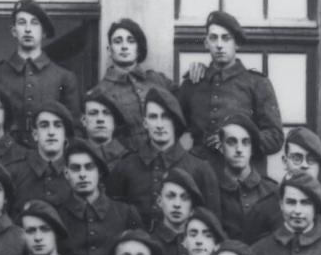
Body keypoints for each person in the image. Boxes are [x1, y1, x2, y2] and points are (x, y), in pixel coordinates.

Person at [108, 86, 221, 225]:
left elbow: (212, 224)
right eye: (153, 117)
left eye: (165, 117)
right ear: (145, 123)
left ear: (175, 121)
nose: (160, 125)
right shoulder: (126, 168)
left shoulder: (200, 169)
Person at [179, 12, 283, 157]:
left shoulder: (257, 83)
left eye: (226, 38)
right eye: (213, 38)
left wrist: (238, 141)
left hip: (241, 173)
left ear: (237, 44)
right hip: (199, 173)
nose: (219, 45)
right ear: (206, 43)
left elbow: (275, 137)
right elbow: (171, 126)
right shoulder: (193, 82)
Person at [0, 0, 81, 142]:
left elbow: (74, 131)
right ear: (14, 31)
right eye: (22, 23)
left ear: (44, 32)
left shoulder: (64, 77)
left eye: (34, 23)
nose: (28, 29)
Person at [57, 140, 142, 255]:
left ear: (100, 172)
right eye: (76, 169)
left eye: (89, 167)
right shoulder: (57, 216)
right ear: (66, 173)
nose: (83, 175)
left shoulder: (125, 213)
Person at [93, 18, 173, 147]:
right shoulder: (100, 92)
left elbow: (188, 106)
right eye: (118, 42)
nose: (124, 46)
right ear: (109, 50)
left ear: (139, 48)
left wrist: (197, 70)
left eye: (131, 41)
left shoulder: (158, 80)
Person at [210, 115, 279, 243]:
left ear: (252, 149)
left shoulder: (272, 191)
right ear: (221, 147)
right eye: (231, 142)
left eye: (245, 142)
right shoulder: (211, 190)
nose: (239, 149)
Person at [5, 101, 76, 211]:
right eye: (44, 126)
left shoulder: (76, 171)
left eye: (57, 125)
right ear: (35, 135)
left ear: (65, 135)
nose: (51, 132)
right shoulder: (15, 172)